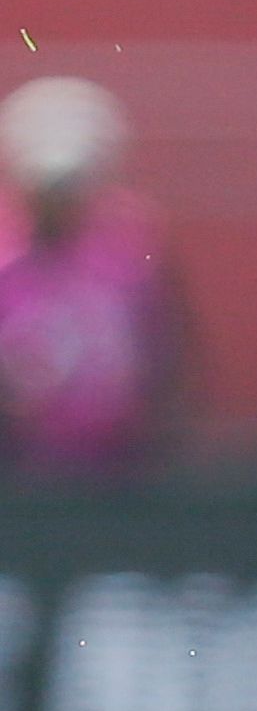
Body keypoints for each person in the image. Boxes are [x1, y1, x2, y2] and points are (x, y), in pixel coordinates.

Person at [0, 74, 186, 482]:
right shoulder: (6, 259)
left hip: (117, 466)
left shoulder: (132, 248)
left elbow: (165, 345)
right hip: (21, 474)